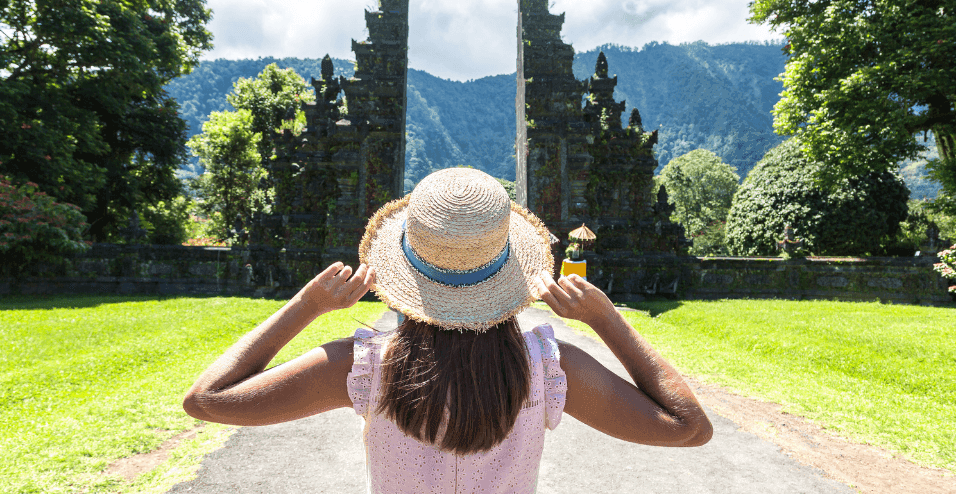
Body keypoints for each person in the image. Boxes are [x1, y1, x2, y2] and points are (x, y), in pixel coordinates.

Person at [183, 168, 713, 492]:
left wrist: (305, 305)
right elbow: (689, 427)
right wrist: (604, 318)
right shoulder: (548, 368)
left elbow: (206, 400)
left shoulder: (366, 366)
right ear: (509, 270)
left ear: (402, 272)